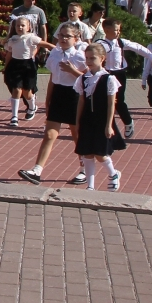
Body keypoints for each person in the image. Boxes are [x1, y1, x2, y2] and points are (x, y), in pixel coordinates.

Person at [18, 21, 87, 185]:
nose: (63, 38)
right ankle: (37, 170)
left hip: (74, 95)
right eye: (61, 35)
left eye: (68, 36)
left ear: (76, 38)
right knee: (49, 134)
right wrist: (48, 100)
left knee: (76, 134)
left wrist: (73, 71)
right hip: (58, 93)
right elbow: (52, 79)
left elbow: (87, 78)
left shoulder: (79, 56)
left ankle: (84, 169)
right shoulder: (55, 53)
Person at [73, 43, 126, 191]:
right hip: (87, 119)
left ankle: (113, 174)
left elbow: (111, 103)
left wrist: (109, 125)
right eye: (87, 58)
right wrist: (77, 121)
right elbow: (81, 101)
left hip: (101, 120)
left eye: (93, 58)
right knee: (87, 153)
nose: (89, 61)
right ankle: (90, 185)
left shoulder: (108, 79)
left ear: (102, 58)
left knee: (100, 153)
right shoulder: (83, 78)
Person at [96, 18, 152, 139]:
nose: (118, 32)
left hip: (119, 74)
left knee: (119, 101)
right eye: (116, 30)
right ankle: (109, 128)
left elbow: (138, 47)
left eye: (119, 30)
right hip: (105, 74)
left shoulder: (121, 42)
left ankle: (128, 122)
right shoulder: (100, 44)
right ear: (106, 30)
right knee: (106, 102)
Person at [2, 16, 54, 126]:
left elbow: (44, 44)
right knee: (16, 89)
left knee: (27, 92)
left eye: (23, 25)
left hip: (28, 66)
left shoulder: (31, 38)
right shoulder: (13, 40)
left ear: (28, 27)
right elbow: (9, 54)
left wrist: (58, 49)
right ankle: (14, 117)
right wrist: (5, 67)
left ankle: (32, 106)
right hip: (15, 65)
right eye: (18, 25)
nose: (20, 27)